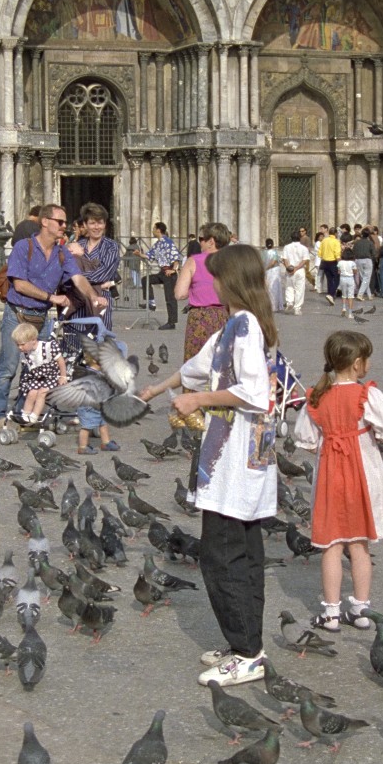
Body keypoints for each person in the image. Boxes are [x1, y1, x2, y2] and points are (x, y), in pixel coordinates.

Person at [136, 244, 278, 687]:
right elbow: (199, 367)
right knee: (240, 552)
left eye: (217, 276)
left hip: (236, 456)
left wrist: (197, 400)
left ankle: (246, 653)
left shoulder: (246, 327)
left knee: (223, 555)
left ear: (231, 280)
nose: (211, 282)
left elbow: (255, 392)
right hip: (231, 455)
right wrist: (159, 388)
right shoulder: (233, 326)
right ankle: (243, 642)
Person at [292, 330, 383, 633]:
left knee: (331, 546)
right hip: (361, 474)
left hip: (330, 474)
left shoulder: (317, 395)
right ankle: (362, 609)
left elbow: (307, 440)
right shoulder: (367, 395)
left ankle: (331, 613)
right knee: (359, 545)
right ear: (356, 364)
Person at [0, 204, 105, 431]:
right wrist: (52, 297)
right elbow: (20, 284)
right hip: (18, 315)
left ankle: (26, 413)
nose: (64, 226)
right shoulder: (24, 247)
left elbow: (78, 278)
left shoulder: (62, 253)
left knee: (37, 369)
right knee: (8, 367)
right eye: (60, 222)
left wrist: (93, 296)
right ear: (45, 222)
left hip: (40, 317)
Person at [175, 222, 232, 361]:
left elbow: (179, 294)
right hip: (226, 316)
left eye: (202, 239)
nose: (200, 243)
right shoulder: (232, 261)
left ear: (211, 241)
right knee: (222, 363)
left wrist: (196, 288)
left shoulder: (193, 261)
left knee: (196, 363)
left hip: (200, 318)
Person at [66, 203, 120, 332]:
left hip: (101, 299)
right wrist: (96, 284)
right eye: (92, 223)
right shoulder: (77, 245)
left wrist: (77, 279)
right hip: (76, 298)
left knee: (99, 342)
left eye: (100, 223)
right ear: (85, 225)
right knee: (74, 341)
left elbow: (103, 274)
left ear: (105, 224)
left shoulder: (111, 246)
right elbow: (66, 271)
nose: (96, 227)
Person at [11, 321, 64, 425]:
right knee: (31, 393)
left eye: (22, 344)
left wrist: (63, 376)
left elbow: (61, 361)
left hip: (52, 377)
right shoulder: (27, 352)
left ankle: (34, 416)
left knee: (42, 393)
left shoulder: (48, 347)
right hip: (39, 378)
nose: (20, 348)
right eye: (18, 345)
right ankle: (25, 416)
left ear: (33, 340)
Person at [142, 221, 182, 330]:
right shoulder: (158, 244)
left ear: (158, 230)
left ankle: (171, 322)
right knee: (146, 279)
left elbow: (176, 256)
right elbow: (150, 255)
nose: (152, 230)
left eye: (154, 228)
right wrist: (139, 254)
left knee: (170, 298)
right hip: (162, 272)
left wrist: (174, 270)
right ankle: (151, 302)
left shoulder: (168, 242)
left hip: (169, 272)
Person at [280, 227, 312, 315]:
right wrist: (296, 268)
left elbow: (284, 259)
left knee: (289, 286)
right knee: (300, 289)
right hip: (299, 270)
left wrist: (288, 268)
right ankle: (297, 308)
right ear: (299, 238)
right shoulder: (303, 248)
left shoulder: (287, 247)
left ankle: (289, 302)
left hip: (289, 269)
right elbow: (305, 260)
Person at [317, 224, 342, 303]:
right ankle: (331, 294)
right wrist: (340, 265)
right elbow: (337, 254)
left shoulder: (324, 240)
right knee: (337, 279)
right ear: (335, 234)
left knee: (329, 279)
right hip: (333, 262)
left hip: (324, 261)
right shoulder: (336, 242)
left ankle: (329, 293)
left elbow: (319, 253)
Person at [261, 238, 286, 312]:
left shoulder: (263, 253)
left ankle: (269, 305)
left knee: (268, 287)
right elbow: (274, 262)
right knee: (275, 287)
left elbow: (262, 261)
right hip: (274, 271)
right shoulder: (274, 252)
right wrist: (268, 267)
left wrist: (265, 269)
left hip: (267, 271)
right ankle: (275, 305)